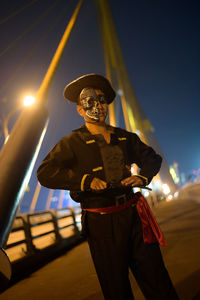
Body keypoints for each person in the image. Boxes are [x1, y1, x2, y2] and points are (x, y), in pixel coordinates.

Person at [37, 74, 179, 300]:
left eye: (102, 100)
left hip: (134, 217)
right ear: (80, 110)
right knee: (115, 286)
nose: (98, 106)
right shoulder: (71, 143)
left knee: (156, 277)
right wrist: (85, 181)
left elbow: (152, 159)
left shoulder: (124, 138)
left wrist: (143, 178)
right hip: (101, 223)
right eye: (90, 102)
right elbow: (45, 173)